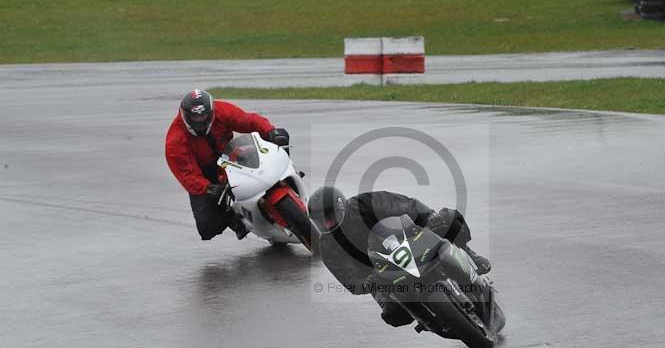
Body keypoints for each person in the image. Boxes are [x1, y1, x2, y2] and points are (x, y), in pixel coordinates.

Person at [308, 187, 491, 327]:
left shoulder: (365, 204)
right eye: (321, 221)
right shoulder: (328, 246)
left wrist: (429, 219)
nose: (327, 224)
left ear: (341, 206)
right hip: (380, 274)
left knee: (449, 219)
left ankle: (467, 253)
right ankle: (429, 320)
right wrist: (367, 283)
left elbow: (408, 206)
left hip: (407, 243)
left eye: (329, 217)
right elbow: (350, 280)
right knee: (394, 315)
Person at [165, 89, 290, 240]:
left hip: (231, 154)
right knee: (207, 227)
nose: (200, 120)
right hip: (203, 172)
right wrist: (207, 188)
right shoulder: (175, 141)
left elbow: (248, 120)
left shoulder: (222, 110)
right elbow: (187, 175)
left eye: (204, 115)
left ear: (211, 111)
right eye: (195, 116)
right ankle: (236, 219)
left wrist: (270, 131)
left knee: (278, 142)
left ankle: (287, 176)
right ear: (185, 115)